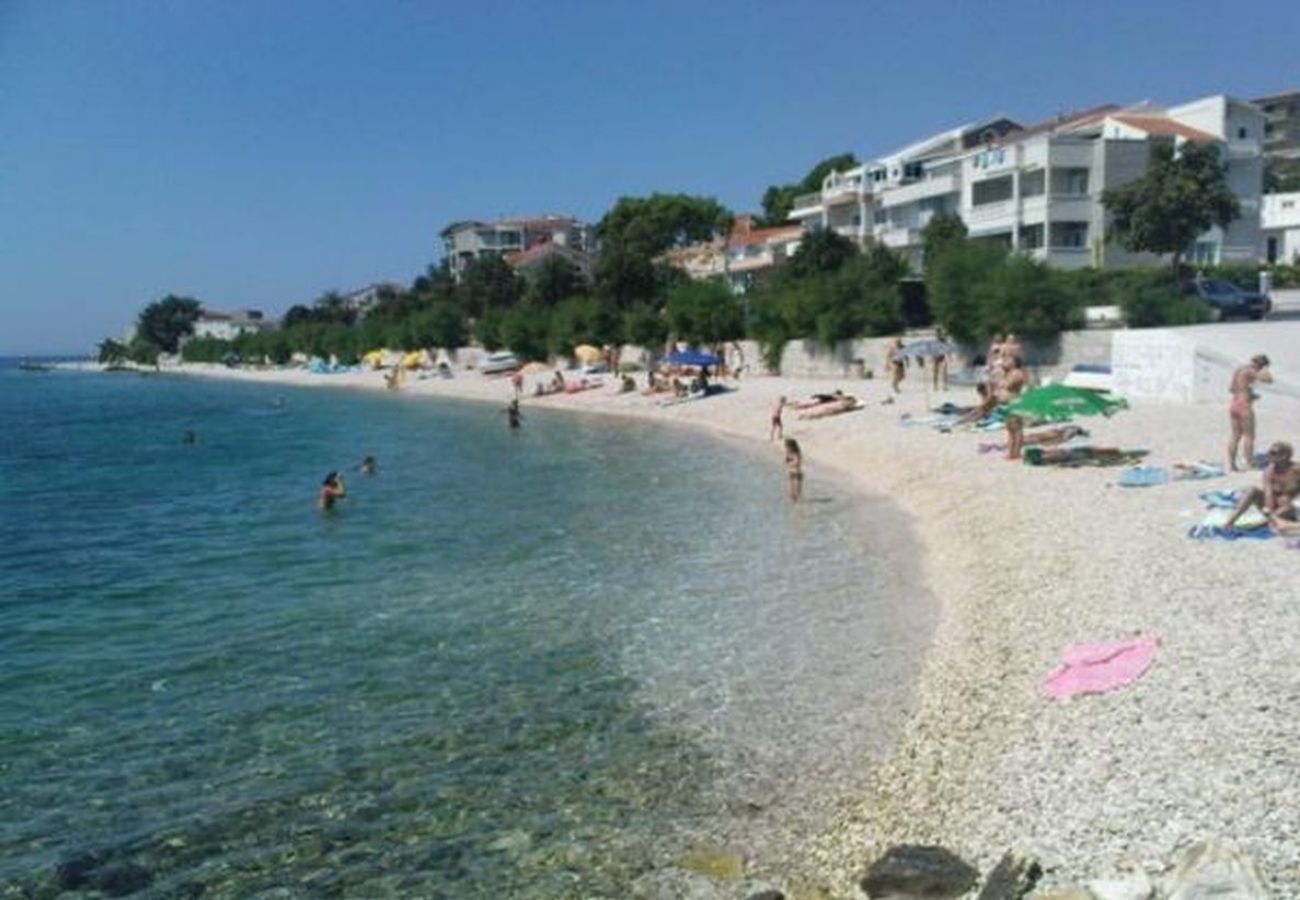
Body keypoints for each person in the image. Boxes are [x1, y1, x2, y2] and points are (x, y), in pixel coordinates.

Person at [1223, 441, 1300, 532]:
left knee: (1285, 500)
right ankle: (1230, 521)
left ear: (1285, 455)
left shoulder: (1296, 470)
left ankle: (1270, 521)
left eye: (1273, 453)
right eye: (1269, 452)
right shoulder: (1269, 471)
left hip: (1289, 508)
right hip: (1272, 507)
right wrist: (1269, 511)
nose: (1269, 455)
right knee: (1252, 490)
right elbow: (1268, 493)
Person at [1227, 354, 1272, 471]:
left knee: (1235, 435)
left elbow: (1232, 389)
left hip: (1234, 403)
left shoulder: (1239, 369)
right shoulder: (1251, 371)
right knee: (1249, 435)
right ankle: (1249, 463)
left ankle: (1232, 464)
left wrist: (1248, 393)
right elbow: (1269, 380)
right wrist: (1266, 369)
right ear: (1259, 365)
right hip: (1244, 405)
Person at [998, 355, 1029, 460]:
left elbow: (1008, 385)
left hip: (1014, 403)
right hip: (1007, 404)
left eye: (1008, 360)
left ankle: (1017, 453)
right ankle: (1011, 452)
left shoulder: (1017, 373)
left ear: (1014, 363)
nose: (1005, 361)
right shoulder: (1008, 373)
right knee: (1010, 429)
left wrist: (1003, 380)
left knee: (1016, 429)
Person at [784, 437, 803, 502]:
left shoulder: (796, 453)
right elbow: (786, 461)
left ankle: (798, 503)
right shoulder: (789, 453)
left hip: (797, 473)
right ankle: (795, 505)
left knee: (797, 491)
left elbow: (797, 462)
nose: (786, 447)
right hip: (791, 472)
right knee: (791, 492)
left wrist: (790, 463)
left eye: (787, 446)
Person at [932, 327, 950, 393]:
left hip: (942, 357)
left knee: (944, 372)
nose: (938, 334)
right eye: (937, 333)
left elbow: (947, 348)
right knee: (935, 372)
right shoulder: (934, 341)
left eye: (939, 333)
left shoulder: (943, 340)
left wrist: (949, 356)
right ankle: (935, 385)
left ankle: (944, 386)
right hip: (936, 358)